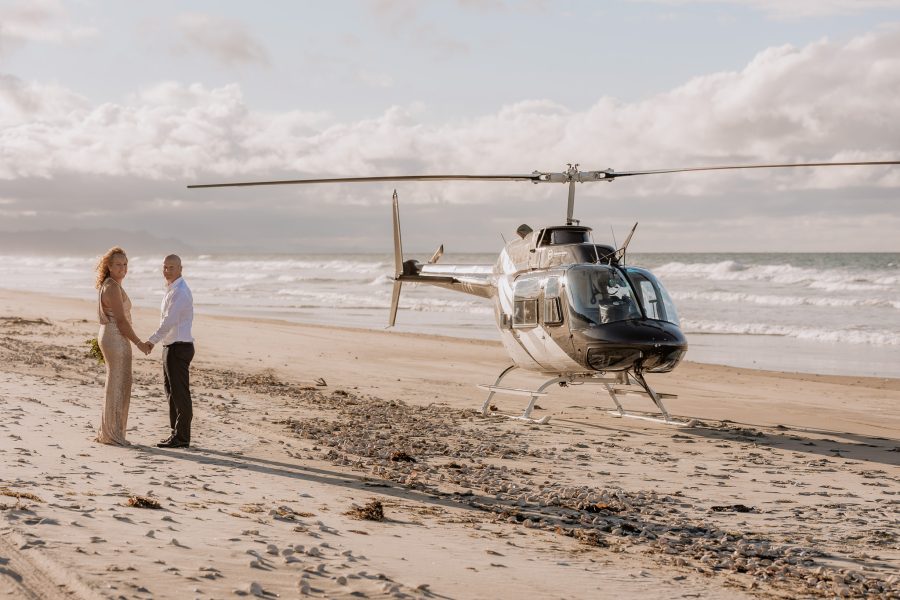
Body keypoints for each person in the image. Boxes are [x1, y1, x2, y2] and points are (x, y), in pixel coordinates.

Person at [95, 247, 151, 446]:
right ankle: (113, 435)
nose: (123, 268)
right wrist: (139, 343)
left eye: (125, 264)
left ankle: (109, 432)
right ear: (109, 266)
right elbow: (121, 321)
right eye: (118, 264)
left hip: (110, 335)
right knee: (120, 383)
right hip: (116, 337)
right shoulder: (111, 287)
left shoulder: (111, 285)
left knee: (117, 383)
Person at [144, 255, 195, 449]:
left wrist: (151, 341)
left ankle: (182, 438)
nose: (167, 271)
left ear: (181, 268)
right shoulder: (172, 289)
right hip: (171, 346)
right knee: (171, 394)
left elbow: (169, 321)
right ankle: (176, 434)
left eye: (171, 267)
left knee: (180, 394)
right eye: (165, 267)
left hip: (179, 347)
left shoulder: (180, 292)